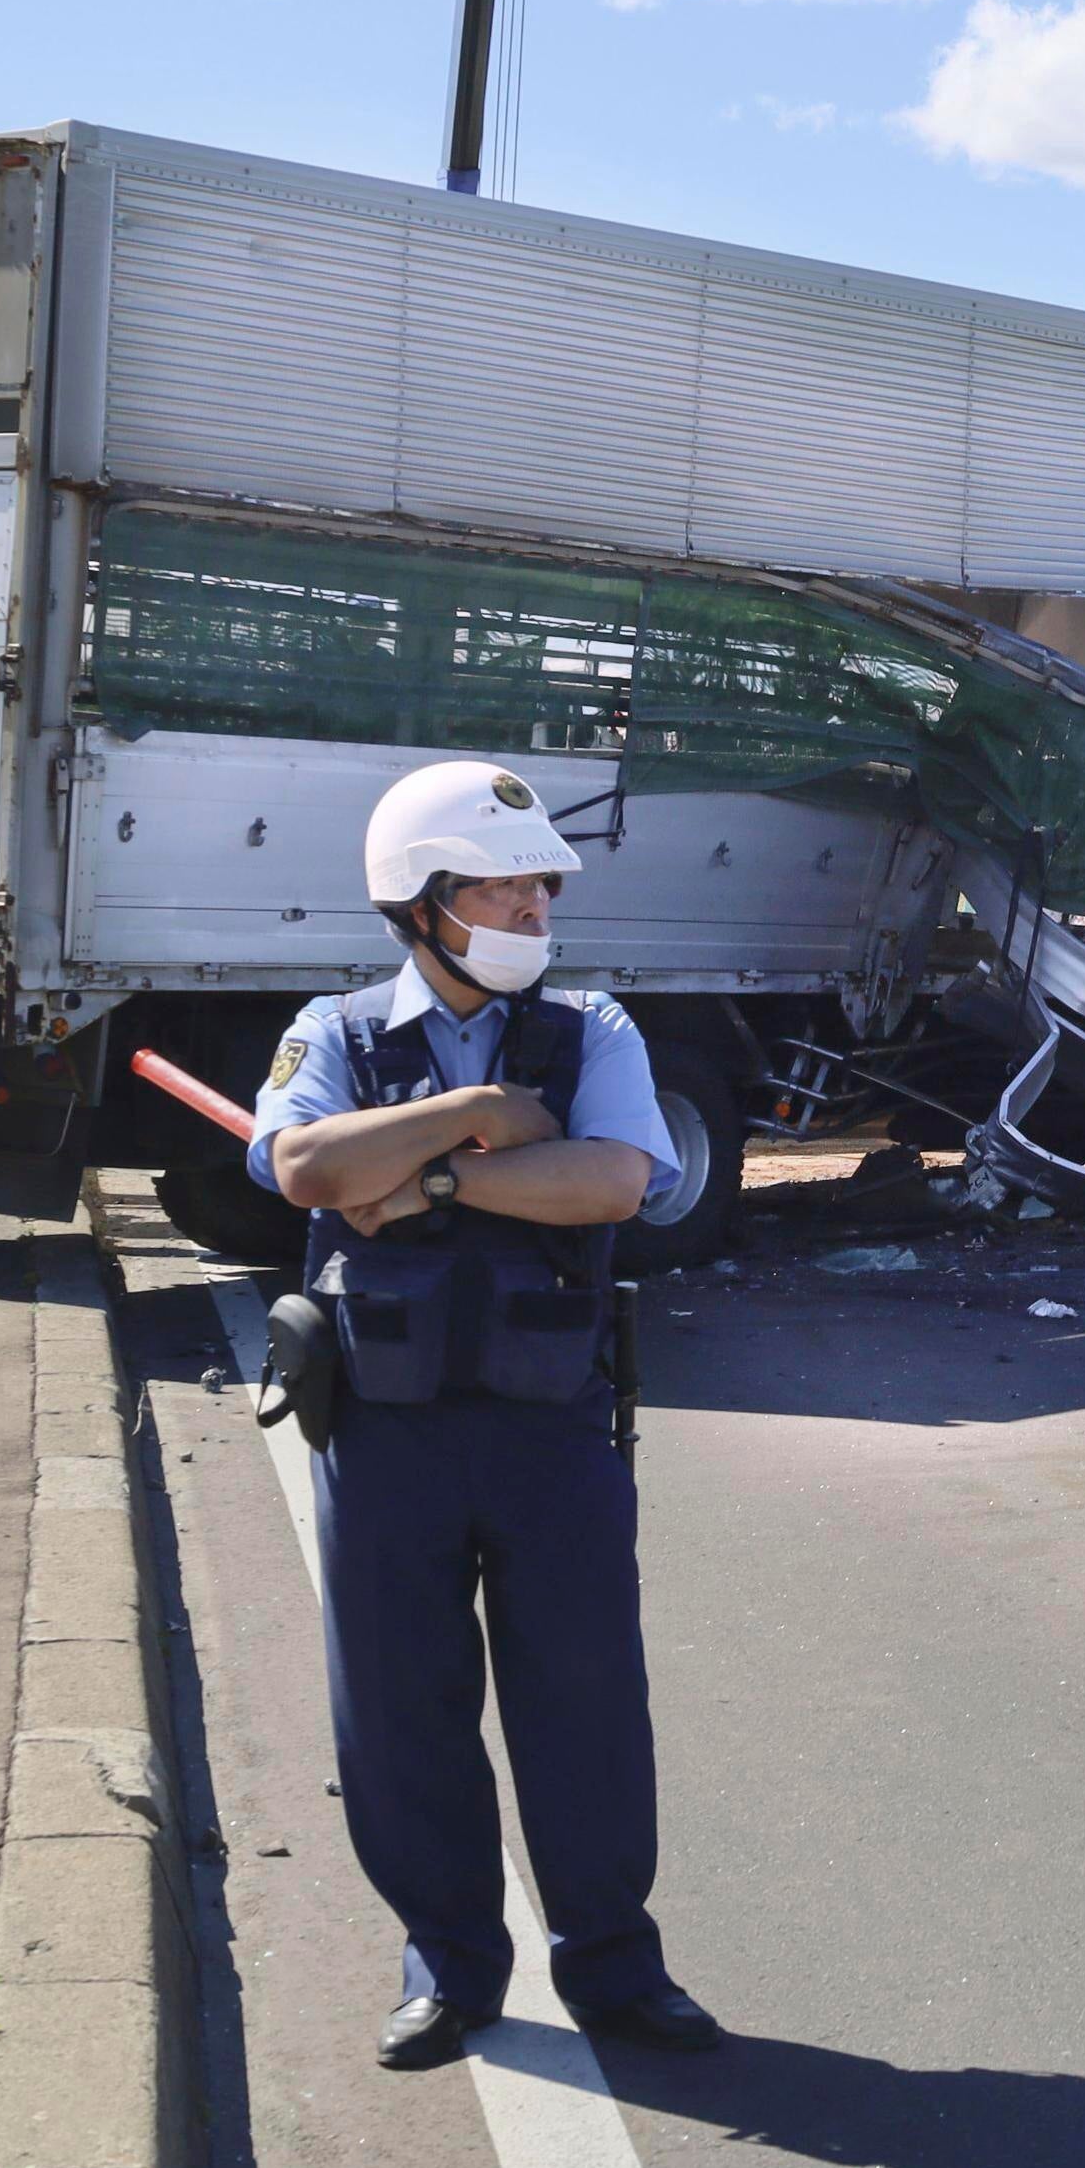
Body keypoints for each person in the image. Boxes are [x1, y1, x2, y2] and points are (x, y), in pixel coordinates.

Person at [247, 759, 723, 2071]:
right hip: (383, 1430)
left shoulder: (593, 1029)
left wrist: (427, 1179)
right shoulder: (335, 1032)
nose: (533, 907)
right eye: (504, 887)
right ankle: (449, 1969)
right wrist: (474, 1119)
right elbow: (303, 1166)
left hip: (548, 1426)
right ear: (421, 903)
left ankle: (615, 1967)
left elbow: (612, 1180)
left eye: (540, 886)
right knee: (400, 1712)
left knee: (585, 1701)